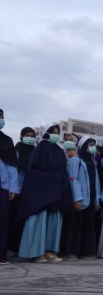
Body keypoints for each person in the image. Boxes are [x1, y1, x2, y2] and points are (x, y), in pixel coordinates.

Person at [18, 124, 71, 263]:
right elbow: (33, 171)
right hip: (41, 192)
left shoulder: (59, 151)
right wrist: (52, 178)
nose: (55, 134)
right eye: (52, 132)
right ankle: (36, 252)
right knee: (39, 220)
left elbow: (64, 171)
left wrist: (62, 181)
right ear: (46, 133)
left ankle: (49, 251)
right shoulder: (40, 149)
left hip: (55, 191)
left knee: (53, 220)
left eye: (57, 132)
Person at [60, 135, 100, 260]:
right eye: (90, 145)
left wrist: (97, 198)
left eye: (94, 145)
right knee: (74, 225)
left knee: (88, 225)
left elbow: (96, 182)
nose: (93, 147)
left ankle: (86, 251)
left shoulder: (93, 162)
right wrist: (77, 198)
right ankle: (70, 252)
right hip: (79, 198)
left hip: (91, 198)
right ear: (83, 146)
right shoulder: (75, 161)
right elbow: (73, 180)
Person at [8, 127, 36, 256]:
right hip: (16, 191)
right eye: (27, 135)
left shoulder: (35, 153)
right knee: (12, 220)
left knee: (23, 222)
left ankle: (18, 247)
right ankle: (10, 247)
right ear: (21, 136)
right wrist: (13, 188)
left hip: (29, 193)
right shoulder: (17, 151)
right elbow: (13, 170)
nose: (30, 138)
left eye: (32, 136)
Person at [0, 109, 19, 265]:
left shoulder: (7, 141)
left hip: (3, 186)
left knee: (2, 221)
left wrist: (13, 188)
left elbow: (12, 166)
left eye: (1, 117)